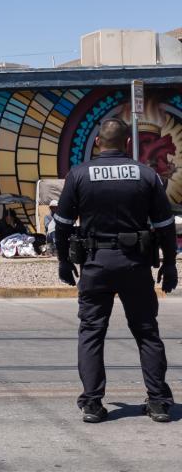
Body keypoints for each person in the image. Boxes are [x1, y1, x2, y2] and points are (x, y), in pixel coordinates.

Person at [54, 118, 177, 424]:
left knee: (92, 333)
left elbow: (63, 226)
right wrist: (171, 265)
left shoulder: (79, 175)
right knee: (147, 332)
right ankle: (159, 402)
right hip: (135, 264)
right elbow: (164, 226)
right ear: (127, 144)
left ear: (97, 141)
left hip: (96, 264)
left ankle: (93, 404)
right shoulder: (146, 175)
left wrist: (64, 262)